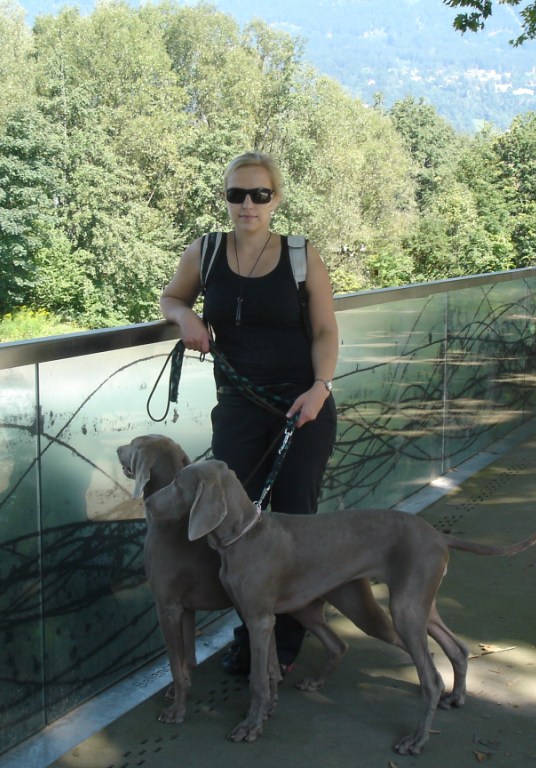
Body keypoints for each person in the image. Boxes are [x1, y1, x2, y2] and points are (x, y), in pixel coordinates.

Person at [160, 151, 339, 675]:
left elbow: (326, 330)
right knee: (234, 529)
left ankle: (286, 645)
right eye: (237, 194)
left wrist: (320, 388)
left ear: (275, 198)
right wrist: (186, 317)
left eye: (260, 194)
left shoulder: (302, 255)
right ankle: (251, 634)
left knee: (295, 525)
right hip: (238, 409)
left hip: (302, 408)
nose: (248, 204)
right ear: (226, 198)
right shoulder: (207, 252)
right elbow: (170, 297)